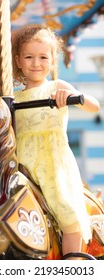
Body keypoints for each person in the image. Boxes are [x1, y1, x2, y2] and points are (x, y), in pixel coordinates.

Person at [11, 24, 100, 259]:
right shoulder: (13, 97)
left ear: (52, 61)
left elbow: (94, 106)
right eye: (29, 57)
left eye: (43, 57)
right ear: (18, 60)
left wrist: (73, 98)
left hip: (52, 163)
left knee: (67, 212)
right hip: (22, 163)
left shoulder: (56, 87)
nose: (36, 63)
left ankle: (72, 262)